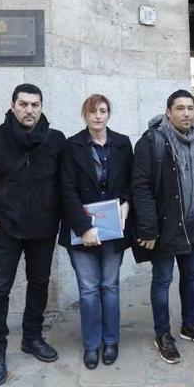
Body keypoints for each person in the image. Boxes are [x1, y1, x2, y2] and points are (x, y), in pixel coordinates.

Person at [0, 83, 66, 386]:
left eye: (35, 104)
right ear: (13, 105)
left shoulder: (56, 141)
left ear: (42, 107)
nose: (29, 110)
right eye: (23, 104)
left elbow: (67, 183)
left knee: (39, 283)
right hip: (5, 229)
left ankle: (32, 337)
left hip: (43, 229)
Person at [131, 89, 194, 364]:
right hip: (164, 228)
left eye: (190, 108)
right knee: (162, 281)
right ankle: (162, 334)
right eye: (180, 108)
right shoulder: (151, 142)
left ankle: (190, 325)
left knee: (191, 277)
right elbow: (140, 188)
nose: (186, 113)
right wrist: (148, 228)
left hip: (192, 225)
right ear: (168, 112)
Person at [59, 94, 134, 369]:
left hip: (114, 228)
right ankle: (92, 344)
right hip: (81, 231)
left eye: (103, 111)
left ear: (108, 114)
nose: (98, 116)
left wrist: (126, 205)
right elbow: (66, 190)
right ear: (85, 115)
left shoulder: (123, 143)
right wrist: (85, 228)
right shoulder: (72, 146)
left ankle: (111, 341)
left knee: (109, 286)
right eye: (93, 111)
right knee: (89, 289)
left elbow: (131, 182)